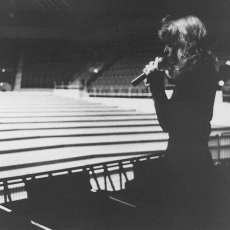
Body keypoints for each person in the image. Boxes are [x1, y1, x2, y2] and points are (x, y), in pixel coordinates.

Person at [143, 15, 219, 229]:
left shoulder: (193, 74)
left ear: (184, 43)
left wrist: (157, 85)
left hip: (184, 163)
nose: (167, 50)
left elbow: (169, 123)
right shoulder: (205, 66)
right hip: (197, 158)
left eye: (171, 44)